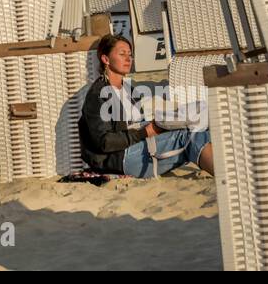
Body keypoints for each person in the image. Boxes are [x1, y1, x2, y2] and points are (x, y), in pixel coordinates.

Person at [79, 33, 214, 178]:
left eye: (130, 55)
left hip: (138, 147)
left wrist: (160, 126)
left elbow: (138, 123)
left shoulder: (129, 90)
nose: (128, 59)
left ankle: (230, 172)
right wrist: (145, 132)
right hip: (118, 159)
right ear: (105, 59)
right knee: (187, 137)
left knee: (199, 129)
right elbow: (104, 142)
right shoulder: (98, 94)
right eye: (122, 54)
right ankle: (227, 178)